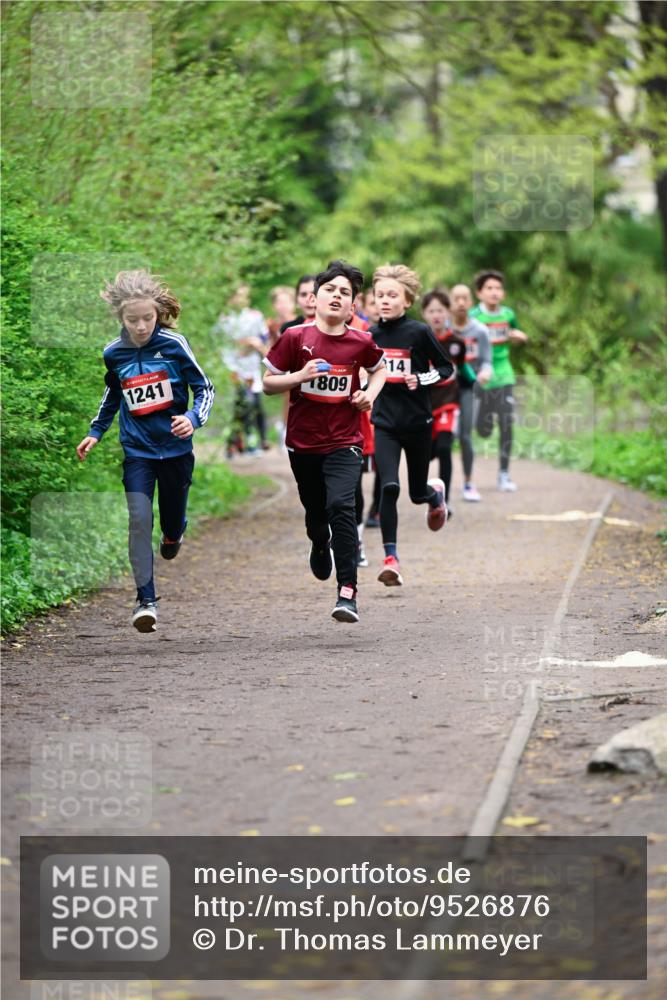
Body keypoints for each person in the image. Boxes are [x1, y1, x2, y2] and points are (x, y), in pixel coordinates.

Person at [76, 270, 215, 633]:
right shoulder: (113, 352)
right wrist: (96, 432)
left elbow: (204, 388)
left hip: (175, 448)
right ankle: (145, 600)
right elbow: (114, 393)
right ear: (120, 317)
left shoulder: (175, 344)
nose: (141, 327)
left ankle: (173, 535)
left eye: (148, 319)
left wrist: (192, 418)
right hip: (137, 450)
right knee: (139, 519)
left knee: (170, 520)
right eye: (132, 320)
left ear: (159, 314)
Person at [263, 260, 386, 622]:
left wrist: (369, 394)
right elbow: (268, 383)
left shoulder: (361, 341)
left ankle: (347, 591)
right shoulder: (295, 338)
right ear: (314, 298)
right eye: (330, 290)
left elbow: (379, 370)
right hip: (303, 443)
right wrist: (298, 376)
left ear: (353, 306)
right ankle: (319, 542)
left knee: (342, 507)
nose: (336, 296)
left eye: (344, 293)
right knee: (317, 514)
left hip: (345, 440)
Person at [370, 264, 453, 587]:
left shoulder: (418, 332)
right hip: (385, 423)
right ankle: (391, 559)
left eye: (392, 295)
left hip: (418, 423)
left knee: (416, 493)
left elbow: (445, 368)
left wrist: (421, 378)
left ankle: (434, 497)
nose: (385, 301)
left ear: (407, 301)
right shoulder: (370, 336)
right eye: (380, 295)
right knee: (389, 487)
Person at [469, 270, 528, 492]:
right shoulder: (474, 316)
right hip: (482, 376)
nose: (495, 292)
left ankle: (504, 474)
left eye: (498, 288)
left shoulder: (508, 314)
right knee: (483, 430)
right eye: (490, 288)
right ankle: (484, 422)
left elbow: (514, 330)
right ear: (479, 293)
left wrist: (519, 336)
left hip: (504, 374)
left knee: (507, 422)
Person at [421, 289, 475, 517]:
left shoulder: (456, 342)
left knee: (444, 448)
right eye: (432, 311)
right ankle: (427, 493)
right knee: (425, 453)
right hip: (423, 404)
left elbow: (462, 367)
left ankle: (444, 502)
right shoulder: (418, 340)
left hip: (449, 402)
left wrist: (475, 381)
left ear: (448, 313)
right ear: (424, 313)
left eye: (441, 311)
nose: (436, 315)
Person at [449, 284, 493, 501]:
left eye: (464, 298)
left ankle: (468, 482)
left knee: (465, 436)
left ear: (470, 302)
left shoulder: (480, 331)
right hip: (442, 389)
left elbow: (487, 363)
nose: (460, 303)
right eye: (456, 298)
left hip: (468, 387)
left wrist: (485, 373)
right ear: (450, 303)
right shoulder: (443, 329)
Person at [215, 284, 269, 455]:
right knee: (241, 402)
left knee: (254, 403)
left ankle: (242, 441)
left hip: (251, 366)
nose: (240, 299)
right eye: (237, 296)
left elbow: (263, 339)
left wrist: (257, 345)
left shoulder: (255, 316)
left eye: (244, 295)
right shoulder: (224, 319)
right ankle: (244, 441)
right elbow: (219, 343)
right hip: (232, 366)